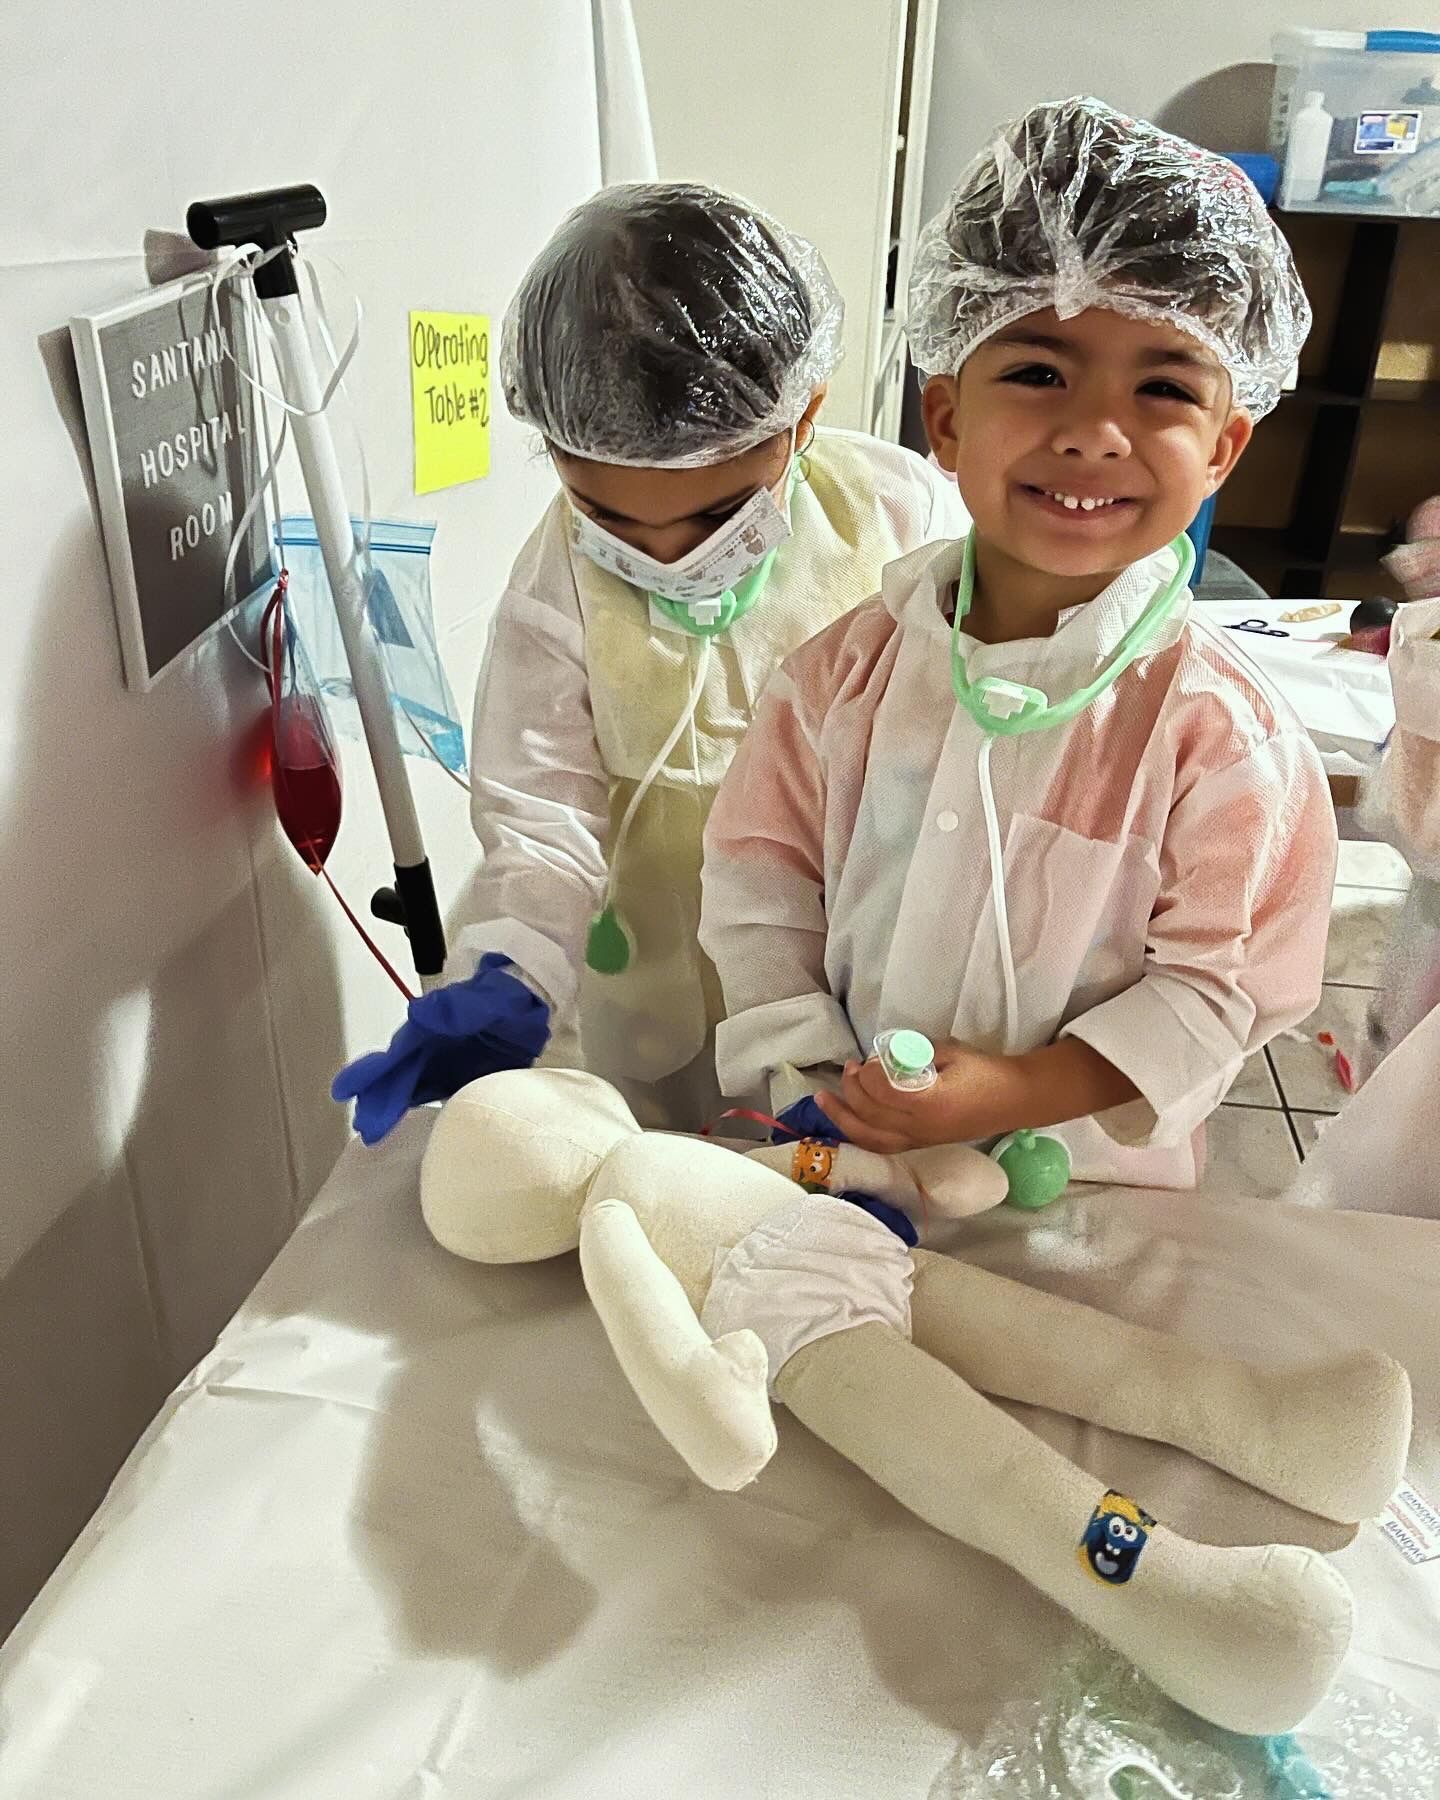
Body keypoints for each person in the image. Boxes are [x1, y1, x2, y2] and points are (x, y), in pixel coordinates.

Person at [699, 97, 1335, 1189]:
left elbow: (1221, 985)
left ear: (1225, 448)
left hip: (1091, 1193)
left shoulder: (1221, 737)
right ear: (944, 419)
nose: (1094, 430)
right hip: (839, 1160)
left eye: (1164, 388)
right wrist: (813, 1082)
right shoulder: (836, 683)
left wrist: (1023, 1090)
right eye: (1039, 372)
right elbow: (761, 888)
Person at [333, 182, 968, 1143]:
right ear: (556, 454)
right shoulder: (559, 582)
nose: (667, 557)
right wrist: (514, 965)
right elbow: (545, 816)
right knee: (673, 1193)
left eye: (718, 516)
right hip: (656, 978)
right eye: (614, 519)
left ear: (801, 418)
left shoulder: (897, 517)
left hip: (860, 961)